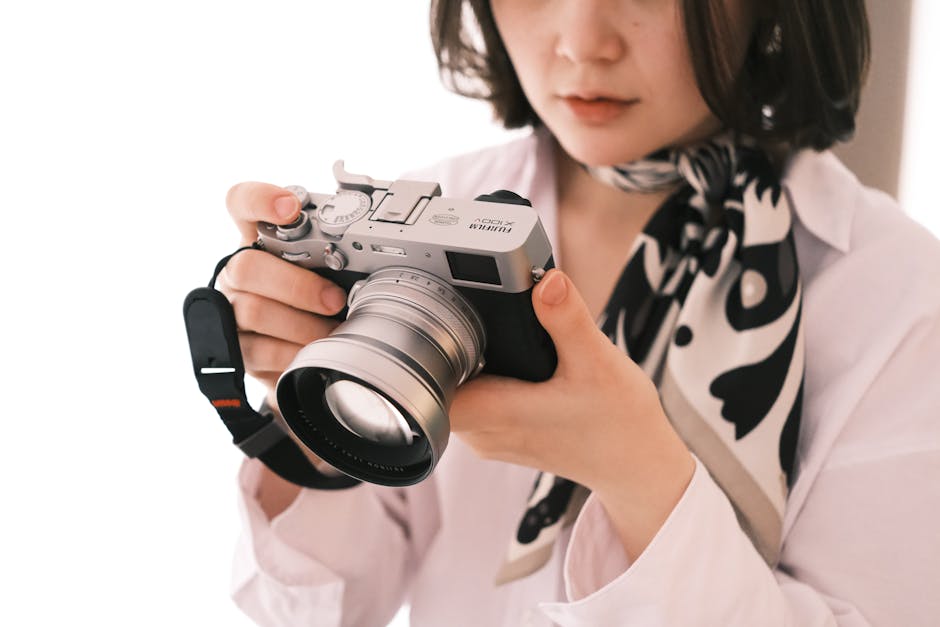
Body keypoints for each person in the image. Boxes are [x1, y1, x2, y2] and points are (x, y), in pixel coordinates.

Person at [216, 1, 940, 625]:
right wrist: (311, 393)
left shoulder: (901, 299)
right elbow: (316, 605)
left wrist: (636, 471)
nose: (583, 42)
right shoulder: (427, 215)